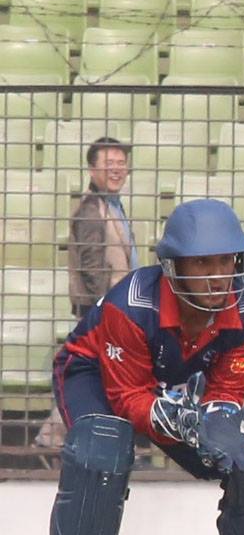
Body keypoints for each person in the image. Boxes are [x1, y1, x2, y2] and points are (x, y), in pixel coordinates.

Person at [39, 199, 244, 535]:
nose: (218, 275)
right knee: (103, 450)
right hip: (95, 373)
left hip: (180, 385)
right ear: (174, 267)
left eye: (226, 260)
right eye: (203, 263)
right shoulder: (131, 304)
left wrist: (216, 423)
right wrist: (168, 415)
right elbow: (127, 397)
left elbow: (228, 389)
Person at [34, 136, 139, 449]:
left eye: (121, 163)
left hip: (112, 310)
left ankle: (62, 437)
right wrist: (108, 311)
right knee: (96, 375)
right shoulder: (92, 211)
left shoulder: (110, 205)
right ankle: (54, 437)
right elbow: (92, 268)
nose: (117, 169)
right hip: (103, 311)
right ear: (92, 170)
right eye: (109, 164)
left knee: (99, 376)